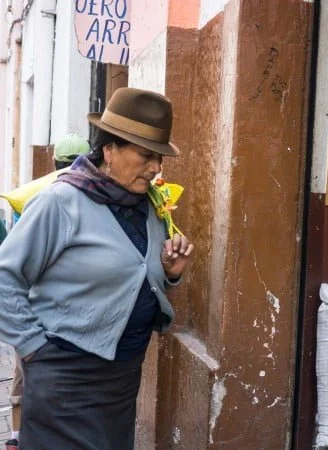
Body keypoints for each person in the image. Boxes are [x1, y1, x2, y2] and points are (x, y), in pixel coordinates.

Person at [0, 87, 193, 450]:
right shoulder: (60, 203)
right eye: (146, 155)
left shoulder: (147, 207)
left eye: (159, 159)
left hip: (121, 378)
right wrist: (32, 348)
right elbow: (4, 275)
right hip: (64, 377)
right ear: (109, 150)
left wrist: (170, 271)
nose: (155, 168)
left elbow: (132, 278)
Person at [4, 132, 89, 450]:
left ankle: (15, 439)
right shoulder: (86, 200)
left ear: (53, 162)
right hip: (65, 312)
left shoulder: (33, 197)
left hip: (29, 308)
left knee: (23, 378)